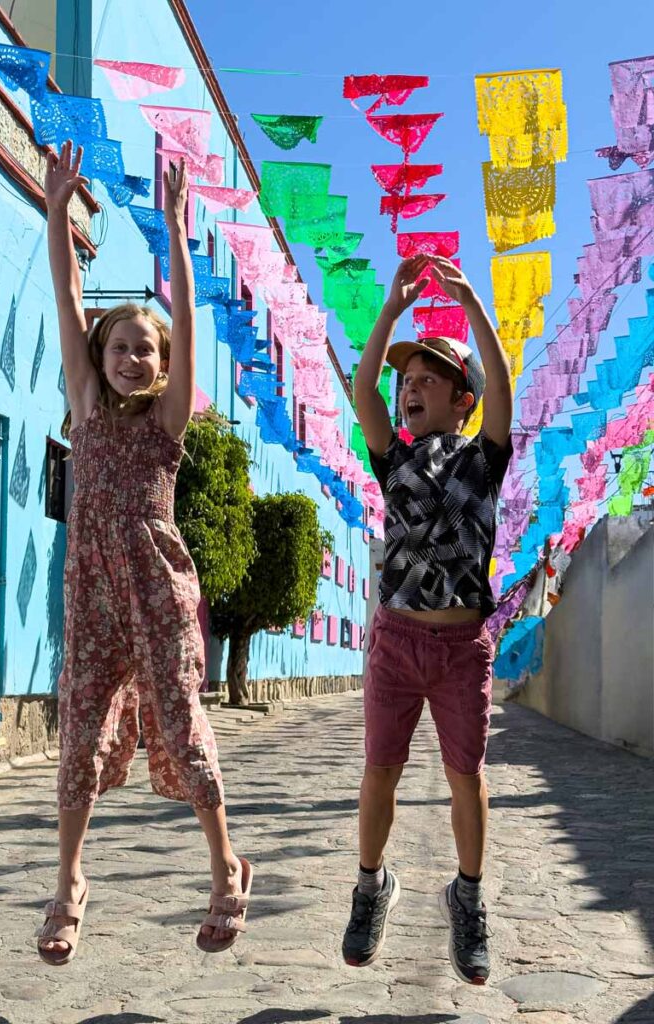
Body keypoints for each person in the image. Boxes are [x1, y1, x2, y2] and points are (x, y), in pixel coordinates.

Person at [36, 141, 252, 965]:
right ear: (100, 357)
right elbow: (68, 295)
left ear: (165, 371)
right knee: (80, 736)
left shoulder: (167, 432)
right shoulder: (85, 410)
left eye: (147, 351)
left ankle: (226, 868)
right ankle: (69, 885)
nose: (134, 357)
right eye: (121, 345)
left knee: (182, 722)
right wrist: (57, 211)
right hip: (92, 597)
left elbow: (189, 321)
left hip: (160, 596)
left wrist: (175, 229)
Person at [343, 254, 513, 985]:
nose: (409, 389)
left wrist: (471, 301)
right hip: (398, 640)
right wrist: (389, 310)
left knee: (464, 779)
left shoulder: (485, 458)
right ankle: (370, 886)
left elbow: (504, 384)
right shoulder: (393, 460)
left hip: (460, 649)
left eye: (427, 380)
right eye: (406, 382)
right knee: (379, 771)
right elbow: (362, 390)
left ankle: (467, 900)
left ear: (461, 400)